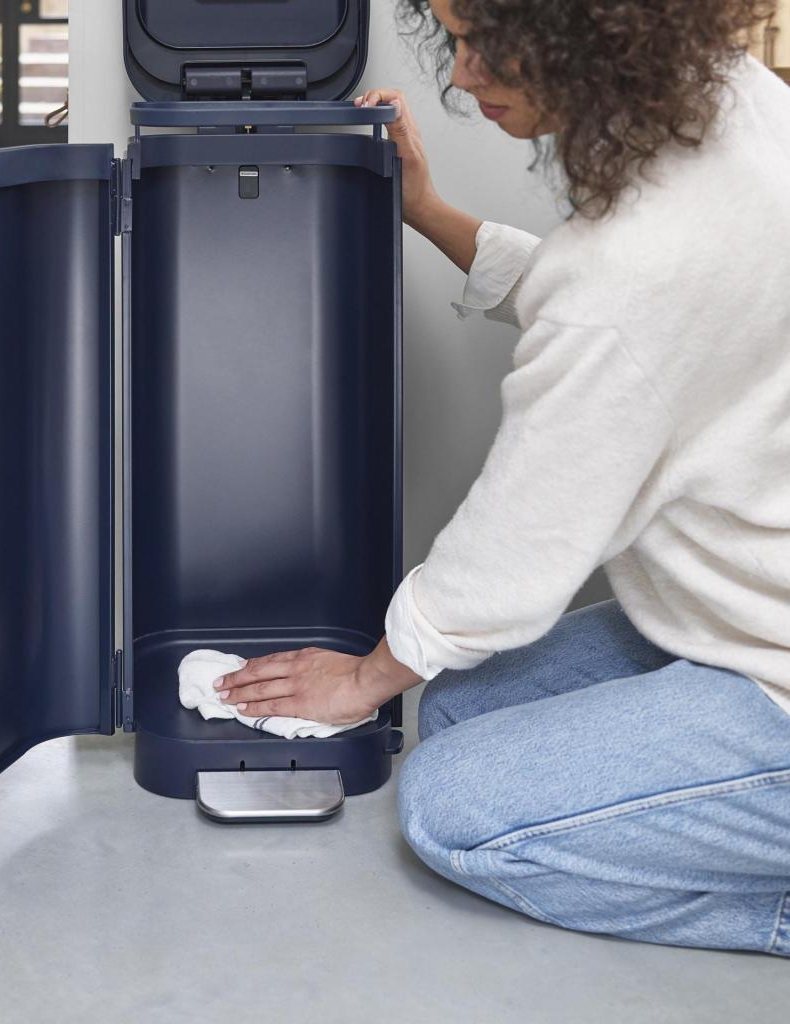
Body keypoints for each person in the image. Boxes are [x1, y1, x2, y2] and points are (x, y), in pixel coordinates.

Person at [216, 0, 790, 956]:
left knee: (451, 809)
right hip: (749, 612)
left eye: (487, 43)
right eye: (454, 35)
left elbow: (514, 559)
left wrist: (364, 677)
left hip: (775, 673)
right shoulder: (729, 102)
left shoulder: (641, 265)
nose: (461, 73)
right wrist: (430, 212)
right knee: (457, 705)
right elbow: (620, 320)